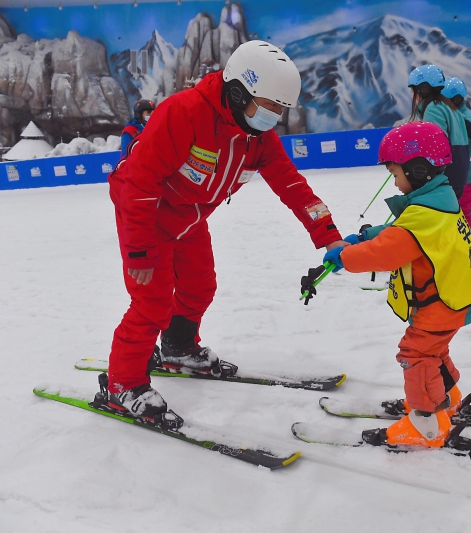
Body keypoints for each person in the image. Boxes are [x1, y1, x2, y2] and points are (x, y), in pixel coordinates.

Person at [105, 40, 347, 422]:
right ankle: (123, 384)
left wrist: (329, 233)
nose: (274, 118)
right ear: (238, 93)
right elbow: (138, 183)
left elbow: (292, 185)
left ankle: (178, 347)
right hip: (148, 214)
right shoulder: (183, 114)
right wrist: (139, 252)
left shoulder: (257, 137)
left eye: (279, 110)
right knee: (151, 302)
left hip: (190, 217)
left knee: (200, 286)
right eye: (269, 107)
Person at [322, 121, 471, 448]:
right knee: (434, 352)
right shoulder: (438, 202)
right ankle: (448, 400)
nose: (394, 184)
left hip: (439, 306)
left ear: (419, 169)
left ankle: (427, 422)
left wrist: (346, 256)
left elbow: (388, 251)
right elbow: (400, 229)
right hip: (453, 302)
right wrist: (366, 234)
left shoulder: (425, 214)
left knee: (415, 354)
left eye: (396, 174)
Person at [407, 65, 470, 199]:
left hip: (446, 178)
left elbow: (436, 147)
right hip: (459, 175)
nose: (413, 96)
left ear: (423, 89)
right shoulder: (448, 106)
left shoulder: (432, 109)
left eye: (414, 91)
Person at [442, 77, 471, 225]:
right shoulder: (457, 114)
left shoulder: (465, 117)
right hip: (467, 176)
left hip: (470, 178)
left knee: (461, 212)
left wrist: (465, 156)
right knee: (457, 211)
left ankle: (467, 246)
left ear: (455, 99)